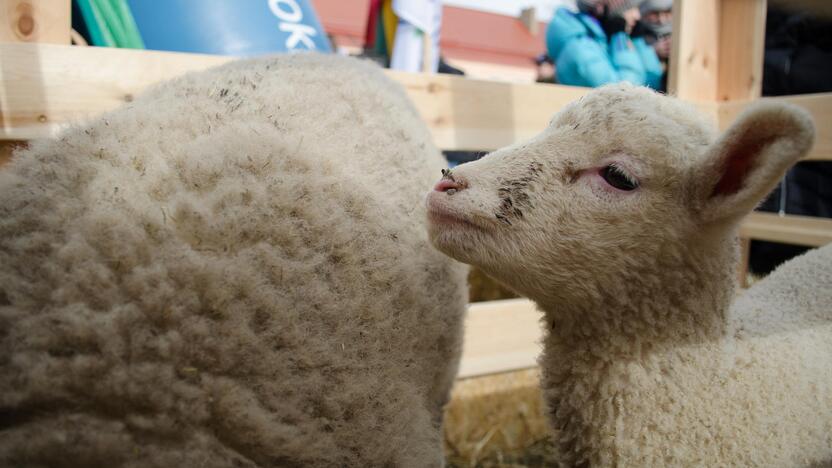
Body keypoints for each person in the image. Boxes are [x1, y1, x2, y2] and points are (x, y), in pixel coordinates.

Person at [545, 0, 663, 89]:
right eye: (627, 7)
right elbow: (625, 92)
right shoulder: (579, 48)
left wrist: (638, 42)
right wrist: (619, 39)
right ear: (601, 9)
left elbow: (651, 87)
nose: (637, 16)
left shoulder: (603, 42)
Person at [639, 0, 672, 90]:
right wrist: (652, 52)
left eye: (667, 12)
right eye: (654, 13)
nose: (661, 20)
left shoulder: (683, 36)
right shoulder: (636, 35)